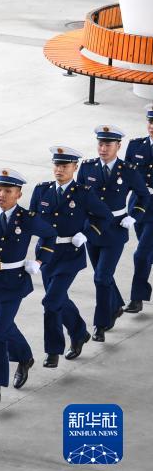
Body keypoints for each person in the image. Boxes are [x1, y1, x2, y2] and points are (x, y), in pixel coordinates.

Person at [0, 168, 57, 406]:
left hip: (14, 282)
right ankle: (25, 357)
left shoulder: (27, 218)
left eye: (8, 191)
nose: (1, 195)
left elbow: (50, 235)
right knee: (5, 328)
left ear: (18, 194)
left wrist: (40, 261)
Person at [29, 146, 111, 367]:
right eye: (57, 165)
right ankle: (79, 332)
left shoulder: (83, 194)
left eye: (64, 166)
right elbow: (31, 221)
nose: (59, 170)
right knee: (58, 299)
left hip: (70, 255)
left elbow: (104, 216)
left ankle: (53, 351)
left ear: (75, 168)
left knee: (51, 301)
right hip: (46, 255)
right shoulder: (41, 191)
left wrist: (85, 235)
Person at [78, 125, 150, 341]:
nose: (103, 148)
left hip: (114, 230)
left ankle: (100, 324)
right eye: (100, 144)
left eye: (108, 144)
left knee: (101, 277)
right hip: (91, 230)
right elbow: (79, 197)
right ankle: (116, 304)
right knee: (104, 276)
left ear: (118, 146)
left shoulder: (127, 170)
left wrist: (134, 215)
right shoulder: (87, 168)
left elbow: (144, 195)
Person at [124, 105, 153, 314]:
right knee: (148, 251)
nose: (152, 127)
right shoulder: (136, 146)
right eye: (150, 122)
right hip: (138, 207)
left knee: (141, 254)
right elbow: (124, 177)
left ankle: (137, 297)